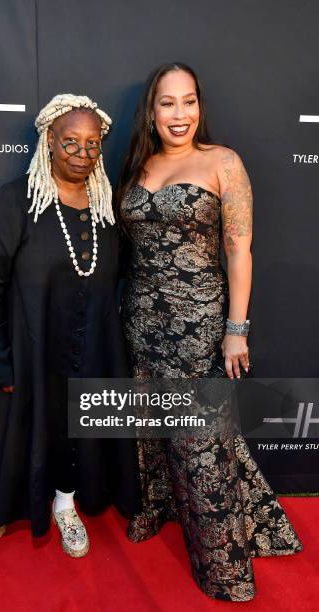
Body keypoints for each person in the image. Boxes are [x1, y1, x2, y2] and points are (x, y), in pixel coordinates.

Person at [116, 63, 302, 602]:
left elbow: (238, 249)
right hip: (141, 321)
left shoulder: (223, 162)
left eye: (189, 101)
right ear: (151, 111)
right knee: (153, 431)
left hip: (197, 325)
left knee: (202, 445)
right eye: (167, 103)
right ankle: (160, 508)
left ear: (200, 105)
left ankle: (224, 567)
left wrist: (235, 329)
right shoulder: (137, 165)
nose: (180, 114)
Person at [0, 94, 141, 570]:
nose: (81, 153)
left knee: (74, 435)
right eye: (70, 143)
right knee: (12, 436)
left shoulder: (107, 206)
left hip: (92, 348)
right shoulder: (16, 202)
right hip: (29, 353)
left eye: (92, 145)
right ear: (49, 143)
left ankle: (65, 506)